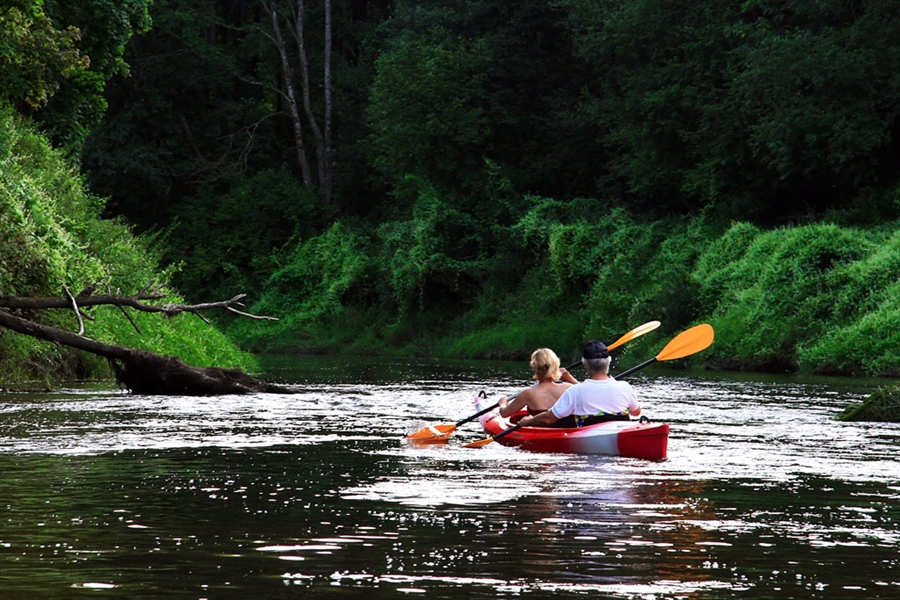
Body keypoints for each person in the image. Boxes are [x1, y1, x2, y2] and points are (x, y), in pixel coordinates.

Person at [518, 340, 640, 428]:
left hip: (589, 438)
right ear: (608, 362)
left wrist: (528, 422)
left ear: (585, 364)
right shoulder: (625, 387)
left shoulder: (574, 391)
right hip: (619, 431)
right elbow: (636, 412)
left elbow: (548, 419)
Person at [498, 348, 578, 418]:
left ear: (535, 368)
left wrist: (503, 403)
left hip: (540, 431)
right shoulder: (568, 388)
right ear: (556, 366)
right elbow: (588, 392)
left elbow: (504, 413)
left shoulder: (528, 393)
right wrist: (570, 378)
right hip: (565, 431)